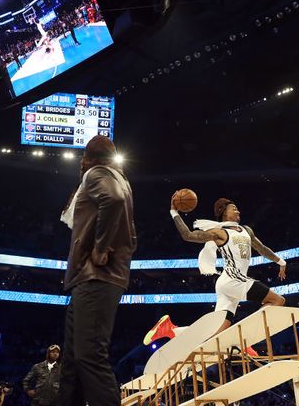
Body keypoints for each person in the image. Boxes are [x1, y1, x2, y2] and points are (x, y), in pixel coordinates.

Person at [58, 135, 137, 406]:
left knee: (88, 355)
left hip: (97, 275)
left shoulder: (98, 174)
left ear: (86, 159)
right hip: (90, 277)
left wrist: (101, 247)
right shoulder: (119, 178)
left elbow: (112, 200)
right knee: (72, 361)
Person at [145, 197, 286, 342]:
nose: (238, 210)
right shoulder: (220, 232)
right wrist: (174, 212)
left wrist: (280, 261)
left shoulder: (246, 230)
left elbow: (261, 249)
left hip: (227, 284)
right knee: (278, 300)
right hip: (234, 280)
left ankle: (171, 329)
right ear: (224, 212)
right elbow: (188, 235)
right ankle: (246, 337)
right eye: (234, 208)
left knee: (214, 334)